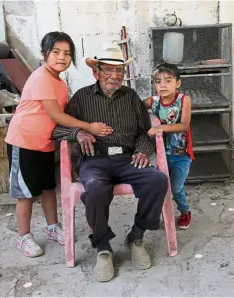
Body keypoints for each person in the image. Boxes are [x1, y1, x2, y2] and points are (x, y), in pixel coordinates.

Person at [51, 42, 168, 282]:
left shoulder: (131, 96)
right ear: (96, 72)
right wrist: (78, 133)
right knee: (94, 188)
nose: (115, 76)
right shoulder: (82, 97)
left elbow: (145, 131)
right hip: (95, 160)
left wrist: (143, 150)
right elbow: (57, 129)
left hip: (127, 158)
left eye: (119, 71)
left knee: (157, 180)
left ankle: (136, 236)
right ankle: (103, 247)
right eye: (108, 70)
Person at [5, 31, 113, 258]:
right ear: (44, 54)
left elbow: (66, 112)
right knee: (25, 193)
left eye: (67, 53)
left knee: (47, 188)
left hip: (44, 143)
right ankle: (23, 236)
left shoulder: (59, 82)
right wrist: (88, 126)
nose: (62, 57)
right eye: (56, 52)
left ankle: (52, 226)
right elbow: (56, 115)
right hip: (23, 141)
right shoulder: (42, 77)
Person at [144, 63, 195, 229]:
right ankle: (159, 214)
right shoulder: (153, 101)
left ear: (177, 83)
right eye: (158, 81)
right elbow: (135, 105)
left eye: (168, 80)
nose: (163, 85)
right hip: (162, 155)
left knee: (176, 187)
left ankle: (185, 211)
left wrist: (161, 127)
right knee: (160, 186)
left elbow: (183, 126)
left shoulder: (184, 100)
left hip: (181, 155)